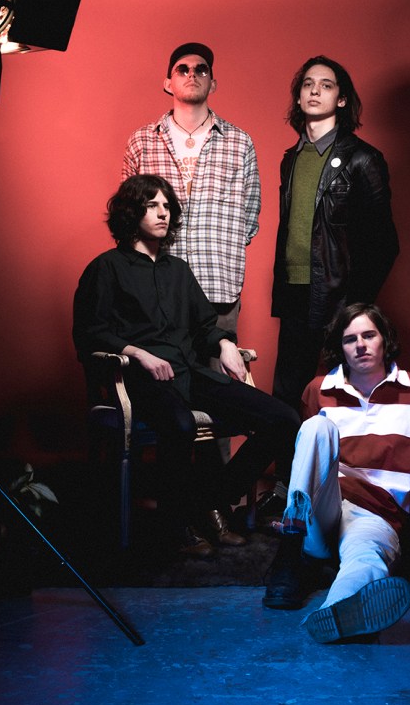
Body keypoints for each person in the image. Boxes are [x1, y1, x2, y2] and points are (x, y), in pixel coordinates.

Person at [73, 174, 300, 558]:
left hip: (188, 372)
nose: (164, 213)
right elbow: (90, 332)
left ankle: (211, 502)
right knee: (179, 425)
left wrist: (226, 344)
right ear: (131, 212)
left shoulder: (178, 270)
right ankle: (174, 523)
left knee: (283, 418)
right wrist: (139, 353)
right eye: (153, 206)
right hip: (138, 379)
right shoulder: (106, 268)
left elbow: (205, 326)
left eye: (167, 206)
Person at [260, 56, 400, 523]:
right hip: (295, 295)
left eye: (326, 85)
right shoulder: (290, 159)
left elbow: (385, 244)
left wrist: (356, 309)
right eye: (306, 84)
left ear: (342, 98)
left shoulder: (363, 159)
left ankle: (355, 496)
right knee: (287, 401)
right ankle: (286, 492)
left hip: (341, 301)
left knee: (345, 402)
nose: (314, 91)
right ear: (299, 96)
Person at [262, 303, 410, 644]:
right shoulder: (318, 389)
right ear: (339, 348)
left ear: (384, 339)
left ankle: (338, 610)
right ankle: (291, 539)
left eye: (369, 335)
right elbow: (312, 458)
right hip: (322, 509)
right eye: (350, 339)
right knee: (315, 429)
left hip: (377, 513)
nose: (361, 345)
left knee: (365, 558)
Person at [122, 42, 260, 345]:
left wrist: (222, 248)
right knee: (162, 384)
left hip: (219, 289)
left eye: (201, 69)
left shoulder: (239, 143)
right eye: (181, 69)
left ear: (213, 82)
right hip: (155, 290)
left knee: (218, 385)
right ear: (167, 83)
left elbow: (249, 218)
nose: (191, 74)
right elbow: (127, 217)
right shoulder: (142, 142)